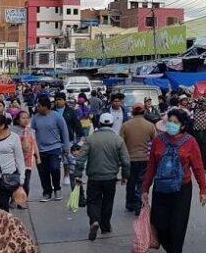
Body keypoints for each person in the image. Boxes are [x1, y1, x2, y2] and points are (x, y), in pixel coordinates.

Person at [142, 109, 206, 253]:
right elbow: (151, 166)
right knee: (160, 224)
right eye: (170, 121)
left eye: (176, 122)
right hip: (161, 189)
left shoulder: (191, 142)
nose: (171, 124)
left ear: (183, 125)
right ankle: (172, 250)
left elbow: (198, 167)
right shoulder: (158, 141)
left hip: (182, 190)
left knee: (178, 227)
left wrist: (203, 189)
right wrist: (145, 189)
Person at [74, 112, 130, 241]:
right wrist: (125, 176)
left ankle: (94, 220)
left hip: (94, 177)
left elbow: (80, 158)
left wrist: (78, 174)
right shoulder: (118, 140)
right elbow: (126, 161)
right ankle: (105, 226)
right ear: (112, 124)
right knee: (108, 202)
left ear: (98, 123)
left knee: (93, 201)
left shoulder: (91, 139)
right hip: (110, 177)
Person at [31, 95, 71, 202]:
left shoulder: (57, 116)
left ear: (46, 106)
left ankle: (57, 188)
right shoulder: (35, 118)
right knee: (43, 172)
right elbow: (31, 133)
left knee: (55, 169)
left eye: (39, 106)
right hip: (40, 150)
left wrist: (66, 147)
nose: (37, 108)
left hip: (55, 148)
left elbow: (64, 131)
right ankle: (47, 192)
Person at [120, 107, 157, 215]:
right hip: (145, 158)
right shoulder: (149, 125)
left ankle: (130, 203)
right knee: (142, 182)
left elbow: (120, 143)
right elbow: (155, 141)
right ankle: (138, 204)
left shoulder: (125, 125)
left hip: (129, 158)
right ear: (144, 112)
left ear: (132, 112)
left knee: (131, 181)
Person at [14, 111, 40, 200]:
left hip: (28, 161)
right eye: (23, 118)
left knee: (26, 181)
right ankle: (15, 199)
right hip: (16, 160)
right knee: (16, 181)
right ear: (18, 120)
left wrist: (38, 157)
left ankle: (23, 200)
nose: (26, 120)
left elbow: (35, 144)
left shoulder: (31, 131)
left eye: (27, 118)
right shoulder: (14, 131)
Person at [189, 97, 206, 168]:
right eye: (204, 105)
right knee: (197, 151)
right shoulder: (193, 112)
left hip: (205, 133)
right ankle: (197, 165)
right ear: (199, 105)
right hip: (196, 134)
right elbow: (190, 123)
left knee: (205, 151)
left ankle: (204, 165)